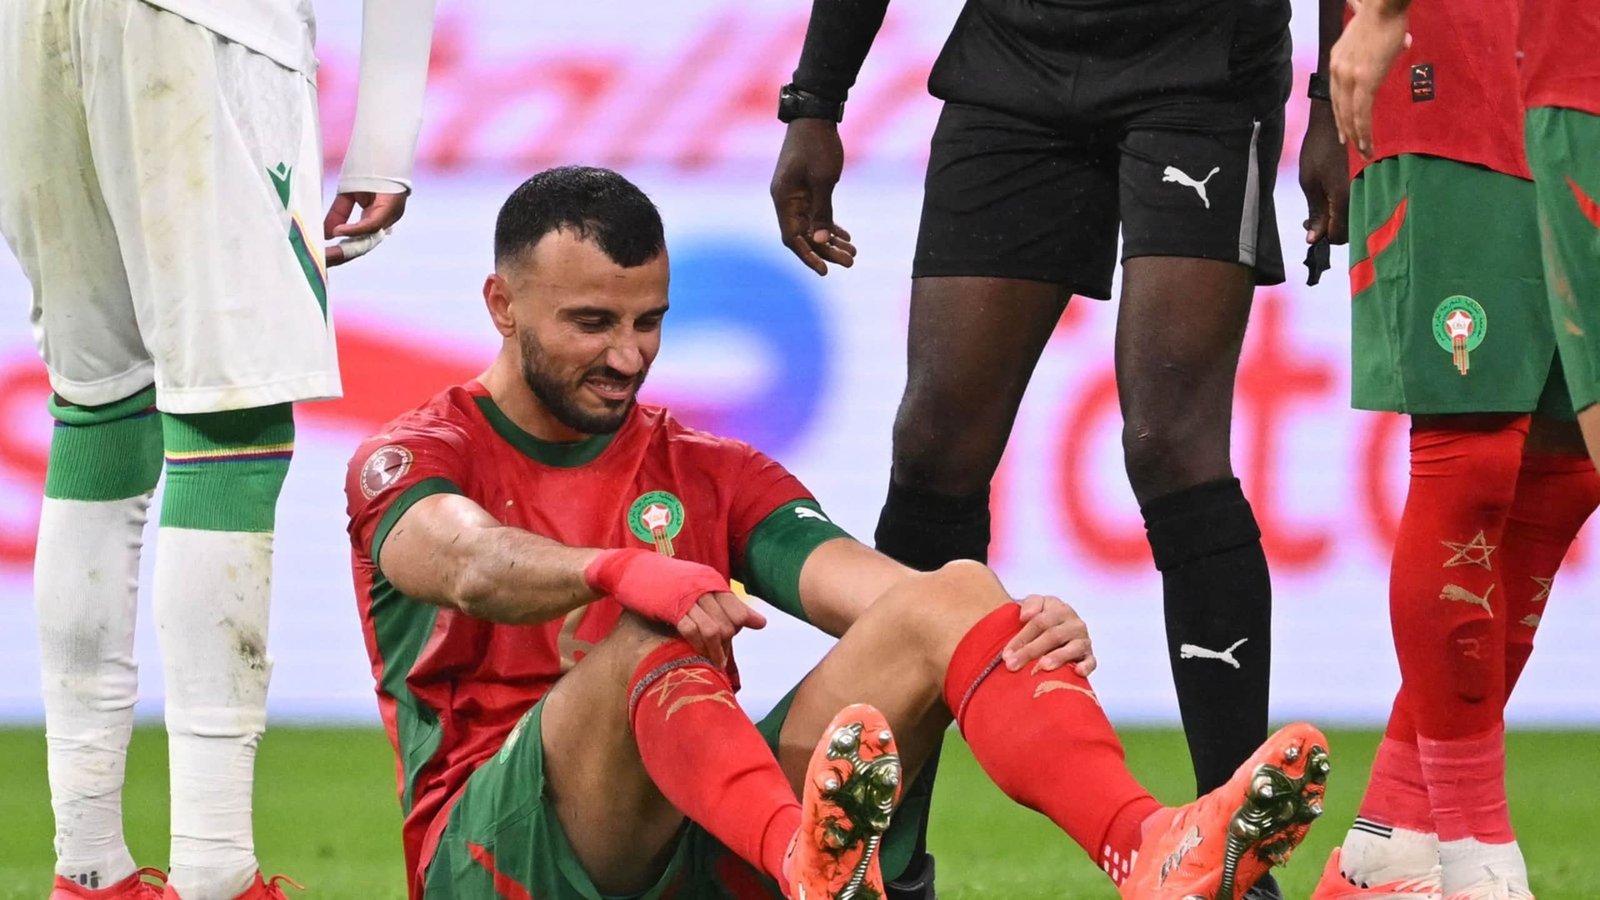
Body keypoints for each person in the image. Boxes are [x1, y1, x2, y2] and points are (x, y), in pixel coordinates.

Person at [345, 165, 1331, 900]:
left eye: (649, 322)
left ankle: (1145, 847)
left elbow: (890, 599)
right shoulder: (418, 455)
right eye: (593, 323)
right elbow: (465, 560)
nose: (630, 356)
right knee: (652, 637)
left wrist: (999, 632)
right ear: (501, 306)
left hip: (699, 833)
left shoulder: (702, 465)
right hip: (498, 859)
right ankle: (804, 862)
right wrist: (619, 571)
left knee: (955, 591)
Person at [767, 5, 1330, 895]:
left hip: (1203, 65)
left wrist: (1332, 102)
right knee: (934, 447)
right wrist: (815, 102)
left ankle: (1232, 872)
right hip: (1013, 58)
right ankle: (888, 862)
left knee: (1170, 444)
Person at [0, 1, 438, 897]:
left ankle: (88, 868)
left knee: (95, 413)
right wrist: (384, 144)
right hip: (205, 23)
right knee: (231, 423)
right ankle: (214, 873)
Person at [1322, 1, 1600, 897]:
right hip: (1454, 68)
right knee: (1470, 455)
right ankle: (1477, 848)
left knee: (1569, 466)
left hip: (1573, 64)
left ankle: (1394, 832)